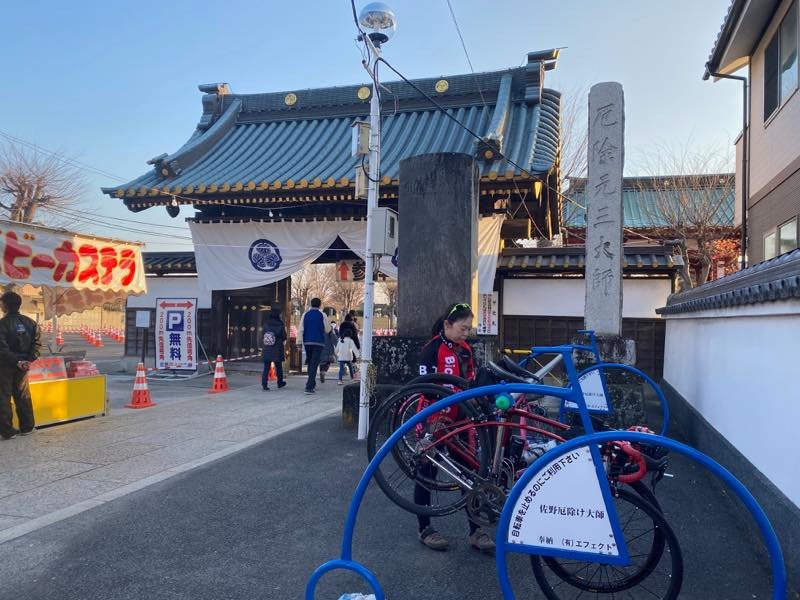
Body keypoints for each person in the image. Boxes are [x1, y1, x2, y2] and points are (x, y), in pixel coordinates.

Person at [414, 302, 495, 554]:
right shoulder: (431, 349)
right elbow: (424, 386)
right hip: (433, 420)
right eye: (462, 328)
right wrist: (441, 405)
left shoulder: (466, 350)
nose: (466, 333)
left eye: (469, 329)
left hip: (460, 421)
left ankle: (476, 530)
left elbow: (469, 382)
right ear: (447, 325)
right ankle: (425, 528)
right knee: (426, 474)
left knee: (470, 474)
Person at [0, 291, 41, 440]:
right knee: (23, 395)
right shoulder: (30, 323)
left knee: (3, 397)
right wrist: (28, 360)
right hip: (23, 366)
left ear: (4, 305)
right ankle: (28, 427)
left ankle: (7, 430)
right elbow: (37, 344)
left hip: (5, 366)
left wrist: (16, 361)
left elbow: (2, 349)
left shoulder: (2, 324)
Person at [296, 298, 331, 395]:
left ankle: (312, 382)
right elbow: (328, 329)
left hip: (307, 342)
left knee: (311, 362)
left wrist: (299, 342)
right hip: (318, 342)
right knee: (314, 364)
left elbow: (300, 329)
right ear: (320, 305)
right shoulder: (322, 315)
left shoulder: (305, 314)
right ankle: (309, 387)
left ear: (311, 304)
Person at [261, 306, 287, 391]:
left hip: (267, 347)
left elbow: (263, 335)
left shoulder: (266, 323)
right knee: (278, 366)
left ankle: (264, 384)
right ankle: (280, 383)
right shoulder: (280, 323)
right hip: (277, 347)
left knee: (266, 367)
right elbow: (284, 336)